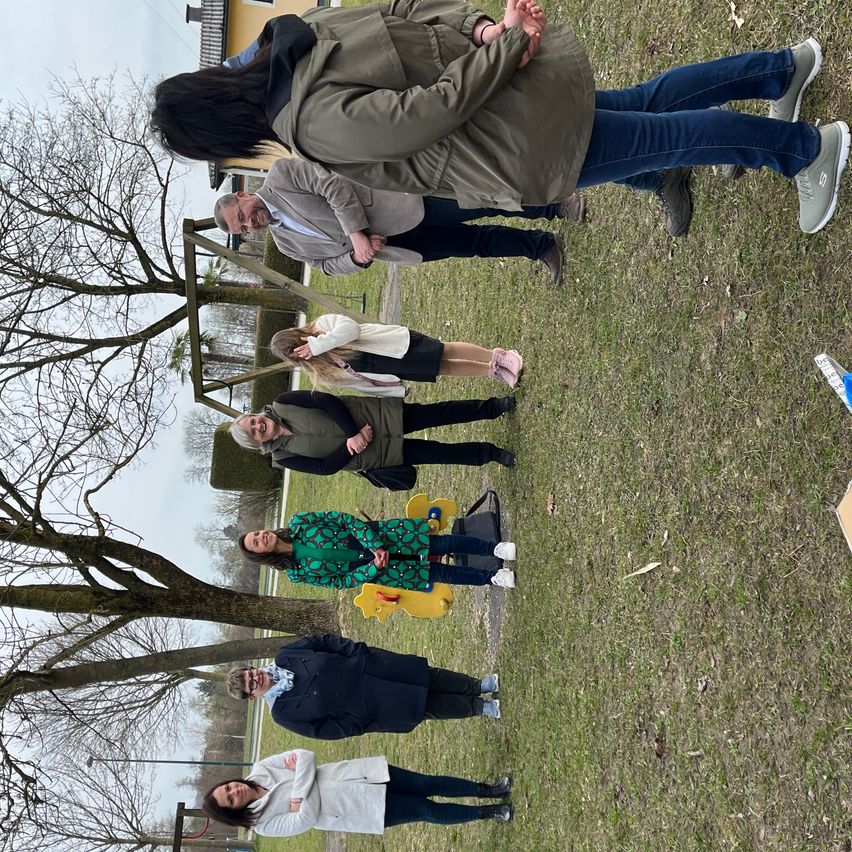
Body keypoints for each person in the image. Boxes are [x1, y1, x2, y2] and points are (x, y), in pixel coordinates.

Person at [150, 1, 848, 236]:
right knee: (651, 103)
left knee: (666, 137)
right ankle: (781, 68)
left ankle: (806, 152)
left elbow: (425, 116)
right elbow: (408, 11)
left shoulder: (306, 126)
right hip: (523, 87)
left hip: (518, 134)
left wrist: (503, 40)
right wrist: (488, 29)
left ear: (223, 137)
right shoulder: (295, 30)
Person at [215, 157, 585, 283]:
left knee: (486, 201)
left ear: (245, 195)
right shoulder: (284, 243)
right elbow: (324, 266)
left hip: (404, 203)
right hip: (398, 246)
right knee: (474, 245)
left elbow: (331, 183)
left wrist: (355, 232)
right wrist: (357, 258)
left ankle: (557, 204)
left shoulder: (281, 175)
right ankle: (542, 246)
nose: (250, 224)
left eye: (243, 217)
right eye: (243, 229)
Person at [226, 634, 504, 738]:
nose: (256, 679)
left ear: (252, 668)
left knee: (428, 676)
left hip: (370, 666)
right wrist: (358, 722)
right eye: (251, 686)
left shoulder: (286, 655)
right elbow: (325, 730)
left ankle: (476, 684)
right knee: (425, 707)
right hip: (369, 706)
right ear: (252, 697)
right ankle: (479, 707)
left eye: (252, 674)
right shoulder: (283, 714)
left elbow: (322, 641)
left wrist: (358, 652)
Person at [203, 749, 513, 837]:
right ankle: (489, 813)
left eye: (228, 787)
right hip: (358, 809)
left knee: (427, 783)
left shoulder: (261, 769)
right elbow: (306, 820)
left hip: (361, 776)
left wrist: (299, 794)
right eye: (230, 799)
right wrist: (302, 780)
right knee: (426, 810)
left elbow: (307, 756)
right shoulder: (264, 825)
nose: (235, 791)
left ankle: (489, 789)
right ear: (232, 811)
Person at [228, 389, 517, 477]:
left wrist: (354, 432)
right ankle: (490, 454)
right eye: (253, 432)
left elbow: (324, 401)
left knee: (441, 413)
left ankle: (493, 407)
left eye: (253, 420)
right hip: (376, 454)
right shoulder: (283, 458)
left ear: (256, 415)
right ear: (257, 443)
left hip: (375, 417)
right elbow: (324, 468)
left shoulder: (282, 401)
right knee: (439, 453)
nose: (257, 425)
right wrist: (353, 445)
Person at [239, 510, 517, 588]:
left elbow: (342, 519)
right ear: (260, 555)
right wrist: (373, 567)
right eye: (256, 542)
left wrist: (375, 545)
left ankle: (495, 549)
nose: (261, 536)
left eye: (258, 533)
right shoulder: (297, 574)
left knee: (443, 543)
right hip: (380, 571)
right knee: (441, 574)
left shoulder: (300, 522)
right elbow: (340, 582)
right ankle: (490, 578)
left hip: (383, 537)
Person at [270, 313, 523, 392]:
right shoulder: (319, 366)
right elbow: (358, 381)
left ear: (298, 336)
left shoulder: (322, 327)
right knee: (442, 368)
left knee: (445, 351)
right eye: (296, 355)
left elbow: (350, 329)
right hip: (391, 366)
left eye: (298, 346)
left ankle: (496, 355)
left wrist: (318, 343)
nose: (303, 353)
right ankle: (492, 370)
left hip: (395, 344)